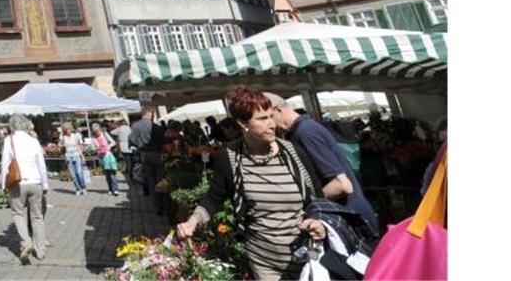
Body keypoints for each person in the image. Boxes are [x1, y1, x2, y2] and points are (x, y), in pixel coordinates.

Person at [176, 85, 327, 281]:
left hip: (306, 255)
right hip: (263, 259)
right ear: (242, 123)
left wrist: (318, 222)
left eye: (271, 116)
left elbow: (319, 199)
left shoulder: (294, 152)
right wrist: (192, 221)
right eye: (262, 119)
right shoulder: (229, 157)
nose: (272, 124)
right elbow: (214, 199)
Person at [265, 94, 380, 235]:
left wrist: (305, 206)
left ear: (277, 110)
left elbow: (341, 185)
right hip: (348, 219)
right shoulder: (304, 129)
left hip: (352, 224)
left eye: (267, 117)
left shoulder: (306, 132)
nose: (268, 125)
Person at [0, 114, 49, 263]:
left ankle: (26, 243)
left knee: (18, 213)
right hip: (36, 182)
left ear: (12, 126)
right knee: (37, 216)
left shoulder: (9, 140)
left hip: (18, 183)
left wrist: (3, 184)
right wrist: (45, 184)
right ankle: (40, 250)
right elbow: (41, 163)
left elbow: (5, 163)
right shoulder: (33, 140)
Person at [130, 106, 166, 205]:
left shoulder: (135, 126)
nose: (153, 116)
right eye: (153, 114)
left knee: (150, 180)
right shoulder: (155, 126)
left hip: (144, 155)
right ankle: (163, 203)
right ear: (148, 113)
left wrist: (140, 144)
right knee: (160, 178)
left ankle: (156, 204)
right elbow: (163, 140)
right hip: (156, 153)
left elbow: (132, 140)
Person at [91, 122, 120, 196]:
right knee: (107, 174)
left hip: (108, 155)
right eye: (95, 132)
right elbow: (92, 148)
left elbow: (113, 142)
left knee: (112, 173)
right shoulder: (93, 137)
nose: (97, 133)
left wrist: (108, 146)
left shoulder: (104, 134)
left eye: (97, 131)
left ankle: (115, 189)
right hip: (101, 156)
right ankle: (110, 189)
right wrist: (96, 148)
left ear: (99, 129)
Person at [61, 123, 88, 195]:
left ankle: (83, 187)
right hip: (68, 157)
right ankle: (77, 188)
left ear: (71, 129)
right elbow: (61, 147)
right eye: (66, 130)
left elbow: (79, 147)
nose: (68, 131)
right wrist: (60, 145)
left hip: (76, 155)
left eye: (69, 129)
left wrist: (82, 157)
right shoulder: (63, 138)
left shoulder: (75, 136)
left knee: (79, 173)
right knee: (73, 175)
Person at [114, 117, 135, 187]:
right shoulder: (129, 128)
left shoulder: (119, 129)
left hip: (123, 147)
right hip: (131, 146)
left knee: (128, 163)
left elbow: (112, 132)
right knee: (132, 163)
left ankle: (131, 178)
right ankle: (134, 176)